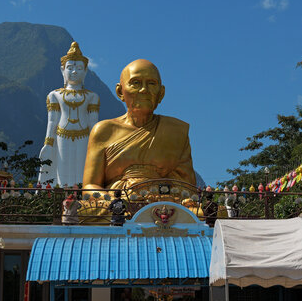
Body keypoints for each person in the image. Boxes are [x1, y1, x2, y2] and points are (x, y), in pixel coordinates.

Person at [83, 59, 195, 191]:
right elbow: (90, 187)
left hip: (161, 205)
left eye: (151, 83)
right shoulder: (104, 131)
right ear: (120, 92)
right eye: (136, 83)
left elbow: (187, 188)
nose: (144, 90)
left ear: (161, 93)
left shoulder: (175, 132)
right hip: (116, 205)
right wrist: (117, 203)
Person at [38, 42, 100, 187]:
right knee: (62, 167)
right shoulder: (55, 95)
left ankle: (82, 195)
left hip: (85, 136)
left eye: (79, 68)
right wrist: (48, 144)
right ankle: (61, 195)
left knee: (82, 167)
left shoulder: (92, 97)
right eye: (70, 68)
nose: (74, 72)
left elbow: (94, 124)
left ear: (85, 72)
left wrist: (97, 145)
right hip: (62, 135)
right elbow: (52, 121)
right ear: (62, 70)